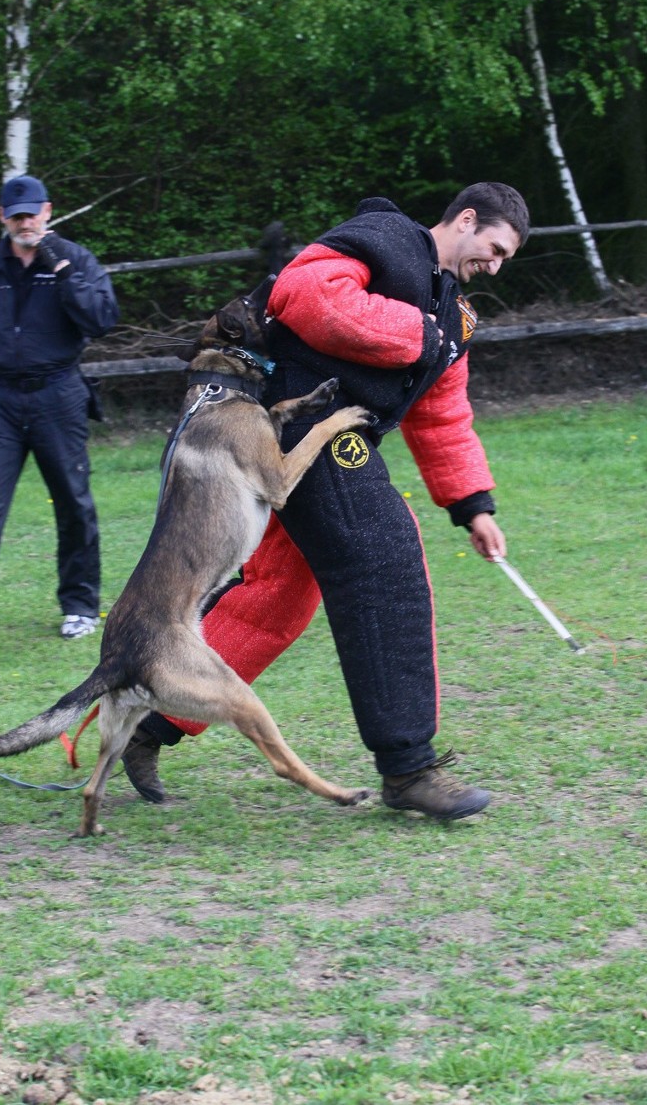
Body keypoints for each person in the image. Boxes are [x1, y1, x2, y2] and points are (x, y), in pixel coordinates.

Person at [120, 182, 529, 821]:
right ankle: (408, 767)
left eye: (507, 258)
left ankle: (143, 718)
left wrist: (472, 503)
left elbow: (443, 414)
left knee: (273, 602)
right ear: (467, 219)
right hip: (297, 424)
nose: (497, 265)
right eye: (495, 248)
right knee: (382, 555)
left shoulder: (455, 314)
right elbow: (310, 297)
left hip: (330, 434)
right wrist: (421, 332)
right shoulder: (387, 241)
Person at [0, 174, 120, 656]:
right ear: (2, 217)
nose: (25, 221)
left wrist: (61, 271)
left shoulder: (74, 260)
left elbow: (101, 319)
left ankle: (79, 605)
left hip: (58, 393)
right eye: (15, 215)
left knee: (73, 502)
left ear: (48, 211)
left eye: (32, 213)